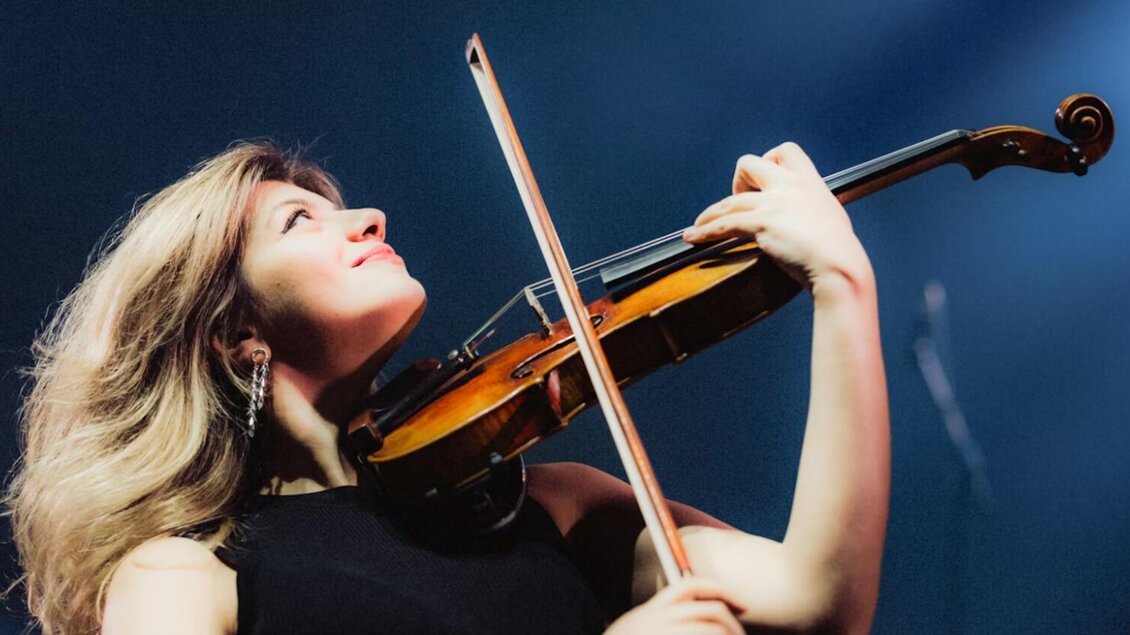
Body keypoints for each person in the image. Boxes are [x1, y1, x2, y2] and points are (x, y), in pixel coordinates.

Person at [6, 139, 889, 634]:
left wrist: (842, 285)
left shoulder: (554, 505)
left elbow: (822, 597)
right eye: (299, 218)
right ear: (238, 336)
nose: (368, 218)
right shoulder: (183, 574)